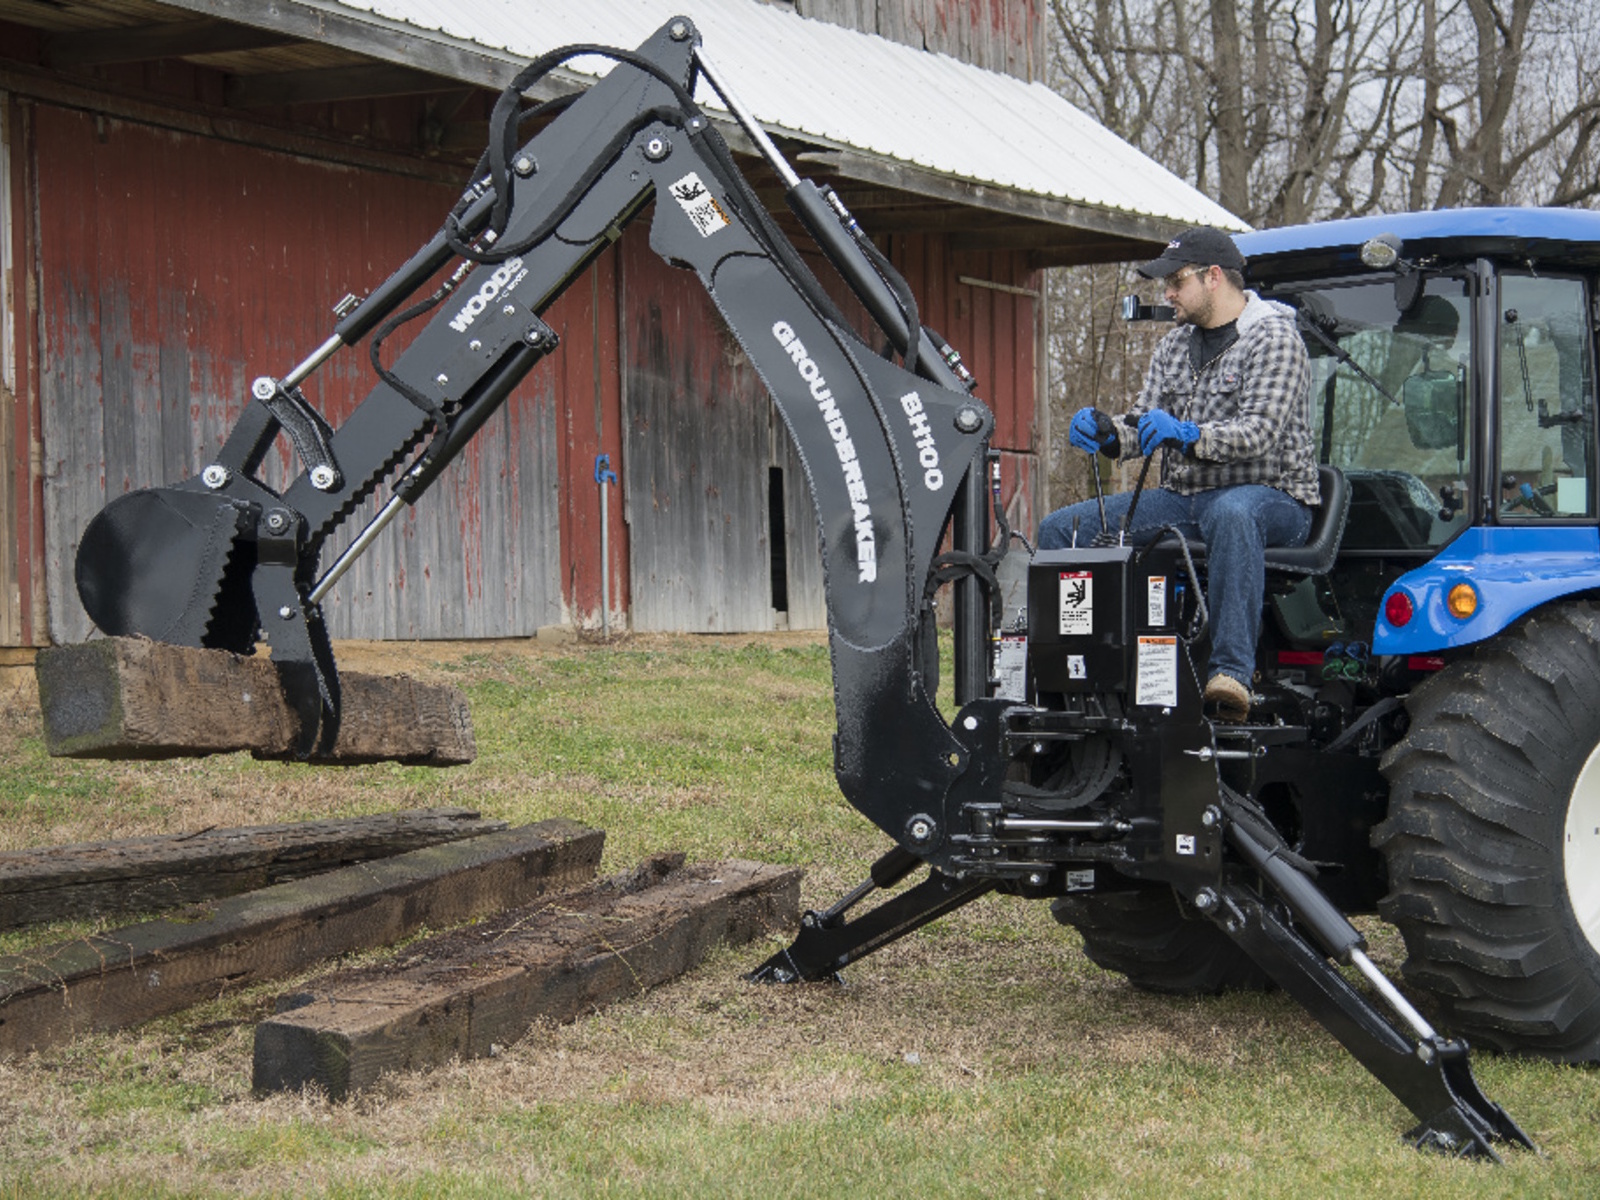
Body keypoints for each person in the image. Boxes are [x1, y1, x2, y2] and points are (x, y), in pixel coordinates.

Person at [1037, 226, 1319, 721]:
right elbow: (1143, 424)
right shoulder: (1173, 346)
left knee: (1232, 513)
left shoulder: (1275, 338)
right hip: (1185, 499)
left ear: (1214, 277)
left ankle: (1231, 675)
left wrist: (1187, 434)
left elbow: (1259, 433)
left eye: (1176, 281)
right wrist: (1108, 433)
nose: (1167, 293)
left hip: (1272, 497)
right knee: (1062, 530)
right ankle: (1071, 674)